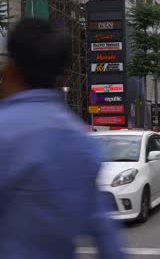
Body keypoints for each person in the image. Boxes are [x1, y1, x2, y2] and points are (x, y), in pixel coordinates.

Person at [0, 19, 124, 258]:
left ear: (11, 69)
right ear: (63, 79)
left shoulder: (5, 130)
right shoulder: (82, 140)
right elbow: (105, 233)